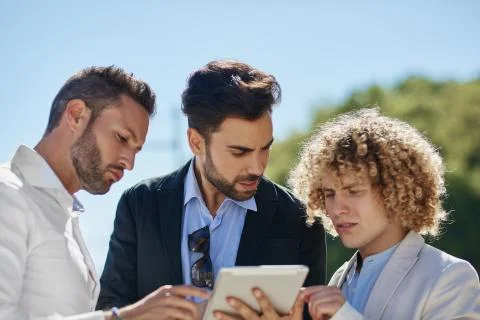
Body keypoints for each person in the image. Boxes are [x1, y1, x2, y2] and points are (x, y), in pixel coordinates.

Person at [96, 60, 327, 312]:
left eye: (265, 148)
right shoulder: (140, 205)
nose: (257, 167)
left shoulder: (299, 219)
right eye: (240, 152)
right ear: (196, 142)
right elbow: (110, 306)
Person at [214, 108, 480, 320]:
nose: (336, 208)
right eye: (329, 194)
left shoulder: (451, 275)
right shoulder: (339, 279)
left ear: (397, 189)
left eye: (353, 191)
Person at [0, 66, 209, 320]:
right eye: (122, 138)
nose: (129, 163)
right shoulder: (7, 192)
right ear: (76, 115)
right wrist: (123, 317)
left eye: (137, 150)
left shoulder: (60, 211)